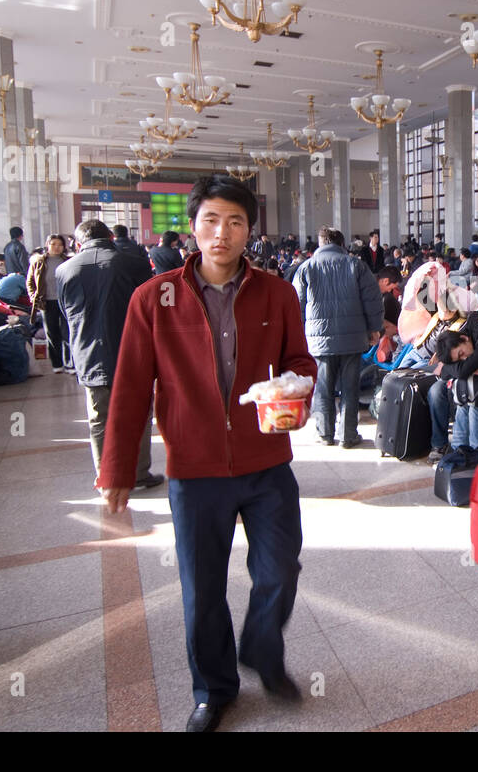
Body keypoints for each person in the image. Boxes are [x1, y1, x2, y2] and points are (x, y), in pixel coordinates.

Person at [96, 178, 318, 733]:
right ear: (193, 226)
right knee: (202, 590)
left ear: (250, 230)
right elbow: (128, 389)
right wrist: (118, 468)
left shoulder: (277, 293)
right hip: (194, 470)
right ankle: (213, 689)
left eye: (236, 222)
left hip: (266, 459)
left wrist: (296, 389)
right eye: (213, 220)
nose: (224, 232)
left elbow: (300, 361)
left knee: (280, 568)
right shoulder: (155, 297)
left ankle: (262, 648)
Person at [56, 219, 162, 488]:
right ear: (111, 238)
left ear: (78, 243)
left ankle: (107, 478)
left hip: (88, 352)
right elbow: (152, 308)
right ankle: (138, 473)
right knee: (137, 414)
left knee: (99, 418)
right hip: (132, 351)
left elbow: (64, 312)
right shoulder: (134, 264)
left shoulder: (64, 270)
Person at [292, 226, 383, 449]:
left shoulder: (306, 267)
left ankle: (324, 433)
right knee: (350, 387)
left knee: (323, 387)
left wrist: (300, 334)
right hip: (352, 339)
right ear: (342, 244)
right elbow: (372, 300)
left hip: (319, 340)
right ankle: (348, 435)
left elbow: (296, 306)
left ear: (321, 243)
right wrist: (374, 329)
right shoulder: (356, 266)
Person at [433, 319, 478, 454]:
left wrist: (464, 370)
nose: (464, 359)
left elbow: (461, 371)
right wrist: (468, 369)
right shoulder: (460, 338)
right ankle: (459, 453)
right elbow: (443, 373)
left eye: (462, 354)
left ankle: (475, 453)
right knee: (463, 394)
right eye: (459, 360)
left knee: (473, 396)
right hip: (475, 392)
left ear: (464, 339)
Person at [28, 234, 73, 373]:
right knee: (52, 333)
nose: (57, 247)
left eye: (59, 244)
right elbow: (30, 281)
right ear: (48, 244)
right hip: (46, 302)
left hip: (65, 301)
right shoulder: (39, 262)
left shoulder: (68, 261)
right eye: (53, 244)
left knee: (67, 332)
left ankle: (69, 363)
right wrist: (33, 296)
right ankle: (57, 364)